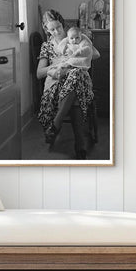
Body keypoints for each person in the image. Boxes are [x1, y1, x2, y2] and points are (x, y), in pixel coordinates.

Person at [37, 10, 98, 159]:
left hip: (78, 79)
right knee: (75, 90)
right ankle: (80, 144)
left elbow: (94, 54)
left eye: (58, 27)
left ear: (62, 25)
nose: (56, 31)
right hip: (56, 82)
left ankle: (55, 125)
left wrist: (79, 55)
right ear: (47, 30)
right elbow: (39, 73)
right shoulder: (47, 46)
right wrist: (58, 65)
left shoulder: (75, 37)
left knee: (76, 76)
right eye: (52, 29)